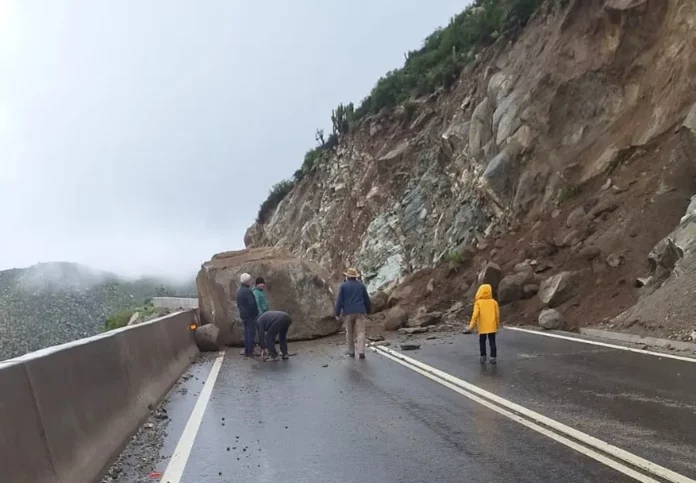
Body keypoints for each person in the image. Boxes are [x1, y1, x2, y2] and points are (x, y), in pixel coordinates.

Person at [335, 267, 371, 359]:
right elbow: (366, 299)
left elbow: (340, 300)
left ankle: (351, 351)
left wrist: (337, 312)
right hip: (360, 311)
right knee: (361, 332)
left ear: (347, 276)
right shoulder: (361, 286)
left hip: (348, 312)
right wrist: (369, 310)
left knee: (349, 332)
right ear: (355, 277)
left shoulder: (343, 286)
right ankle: (361, 351)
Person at [463, 284, 500, 364]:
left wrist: (471, 327)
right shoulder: (494, 302)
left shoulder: (478, 303)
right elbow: (497, 315)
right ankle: (493, 357)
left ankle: (483, 356)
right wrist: (497, 325)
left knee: (482, 341)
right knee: (492, 342)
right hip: (492, 326)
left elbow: (475, 315)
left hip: (482, 327)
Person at [236, 273, 259, 357]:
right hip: (250, 315)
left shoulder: (238, 291)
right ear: (247, 281)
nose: (251, 281)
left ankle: (247, 350)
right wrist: (256, 313)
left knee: (246, 333)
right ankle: (251, 351)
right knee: (251, 333)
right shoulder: (248, 291)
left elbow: (238, 304)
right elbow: (252, 304)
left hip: (243, 315)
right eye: (249, 280)